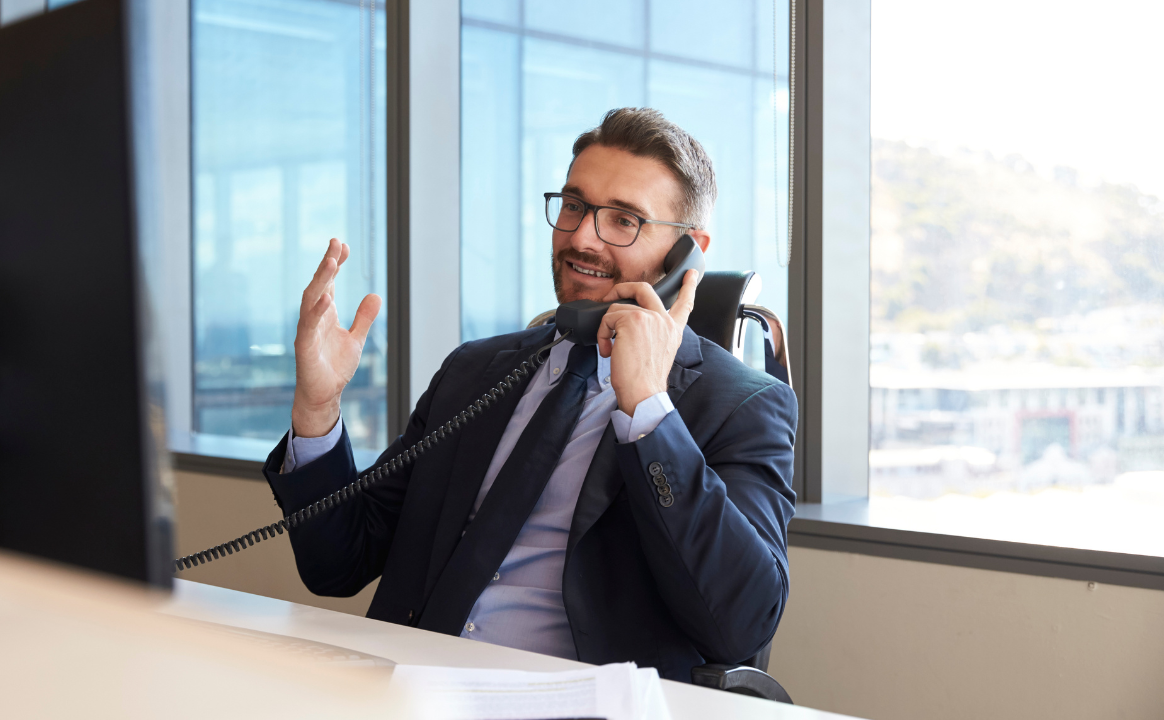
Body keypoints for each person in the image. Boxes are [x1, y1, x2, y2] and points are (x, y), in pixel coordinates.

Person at [264, 108, 797, 682]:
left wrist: (648, 411)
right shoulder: (475, 371)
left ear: (686, 252)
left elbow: (742, 624)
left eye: (624, 220)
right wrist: (317, 411)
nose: (583, 237)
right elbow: (337, 565)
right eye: (574, 206)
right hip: (410, 693)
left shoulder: (741, 405)